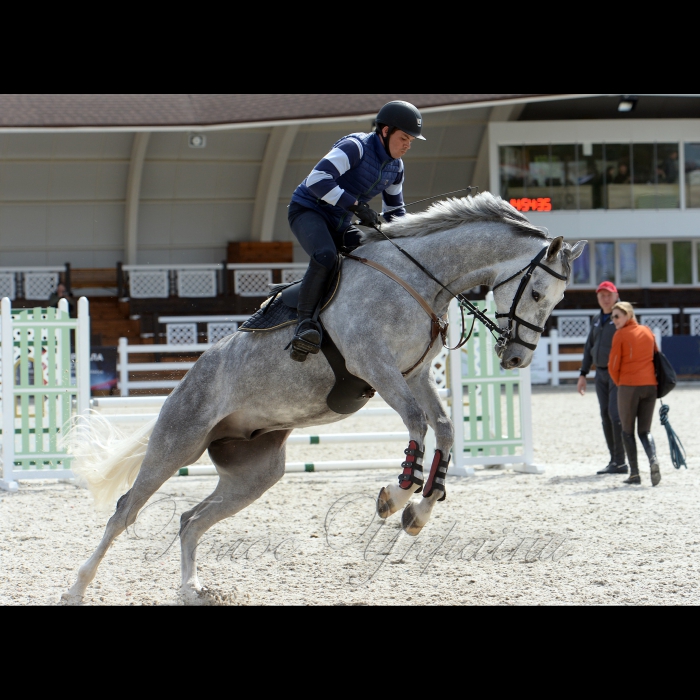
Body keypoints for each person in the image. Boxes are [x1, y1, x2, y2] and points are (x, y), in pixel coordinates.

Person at [286, 100, 425, 362]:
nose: (408, 145)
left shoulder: (396, 168)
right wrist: (356, 206)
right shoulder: (355, 147)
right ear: (385, 131)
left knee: (375, 256)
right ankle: (304, 326)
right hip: (308, 211)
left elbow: (396, 212)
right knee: (326, 256)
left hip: (339, 221)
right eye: (404, 138)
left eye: (411, 141)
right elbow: (316, 180)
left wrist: (411, 242)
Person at [577, 281, 628, 475]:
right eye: (602, 296)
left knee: (616, 415)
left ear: (616, 296)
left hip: (618, 373)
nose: (605, 299)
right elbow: (589, 346)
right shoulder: (597, 318)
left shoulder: (623, 316)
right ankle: (614, 461)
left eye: (609, 295)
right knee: (605, 416)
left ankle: (622, 461)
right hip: (600, 374)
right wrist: (583, 374)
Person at [608, 301, 660, 486]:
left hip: (629, 386)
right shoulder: (647, 331)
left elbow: (613, 366)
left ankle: (635, 474)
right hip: (650, 387)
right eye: (612, 316)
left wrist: (620, 383)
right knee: (645, 431)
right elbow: (657, 356)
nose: (613, 320)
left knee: (627, 431)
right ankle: (653, 460)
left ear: (628, 315)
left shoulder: (620, 334)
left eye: (617, 316)